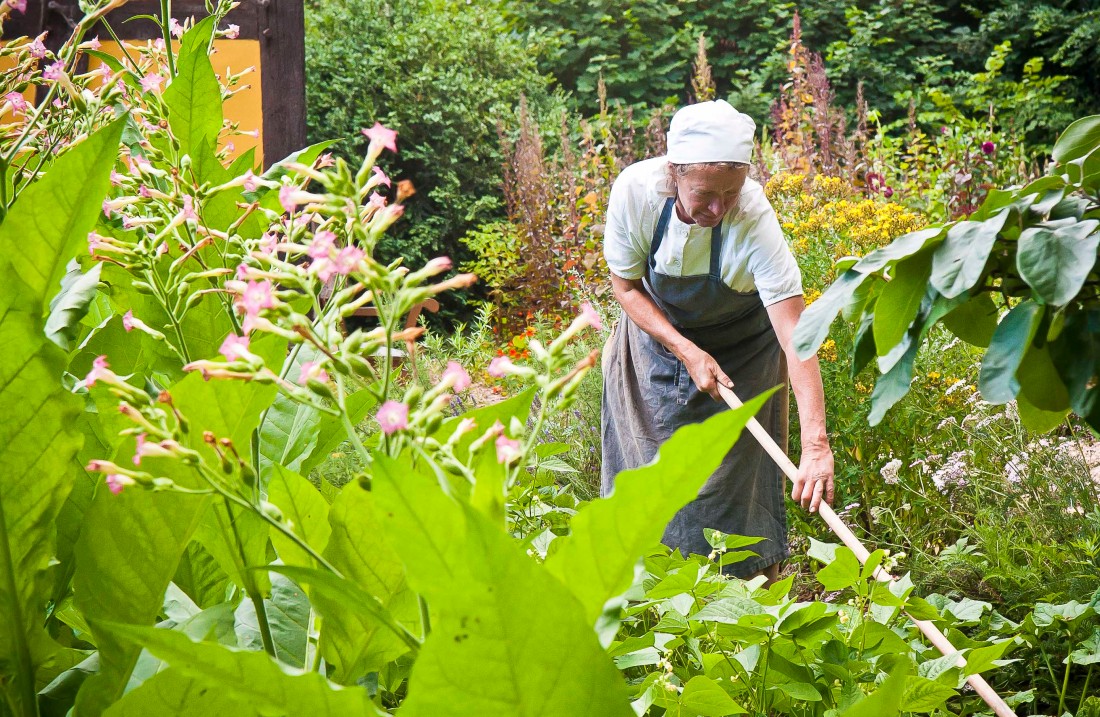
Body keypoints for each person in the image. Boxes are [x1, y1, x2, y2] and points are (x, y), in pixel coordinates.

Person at [600, 100, 834, 582]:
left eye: (729, 193)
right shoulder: (637, 193)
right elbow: (625, 286)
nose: (717, 208)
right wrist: (684, 348)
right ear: (674, 173)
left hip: (744, 350)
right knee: (651, 469)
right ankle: (646, 600)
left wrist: (816, 446)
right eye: (705, 194)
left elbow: (795, 335)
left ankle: (752, 604)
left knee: (737, 481)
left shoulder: (752, 216)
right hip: (654, 340)